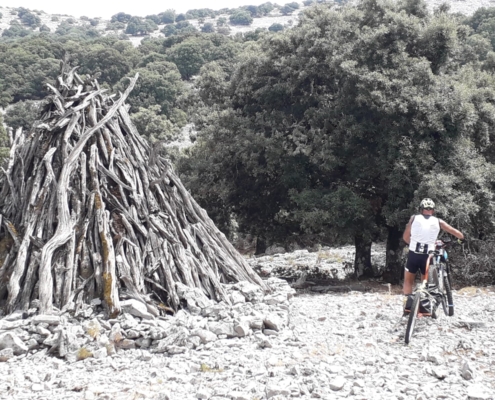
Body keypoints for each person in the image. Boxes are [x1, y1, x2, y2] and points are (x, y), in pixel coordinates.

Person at [401, 198, 464, 313]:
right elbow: (457, 233)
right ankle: (424, 306)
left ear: (421, 209)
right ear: (433, 211)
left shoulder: (413, 218)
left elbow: (405, 238)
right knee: (425, 282)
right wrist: (461, 240)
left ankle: (407, 307)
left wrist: (414, 244)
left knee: (408, 281)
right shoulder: (438, 221)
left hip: (413, 254)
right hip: (428, 256)